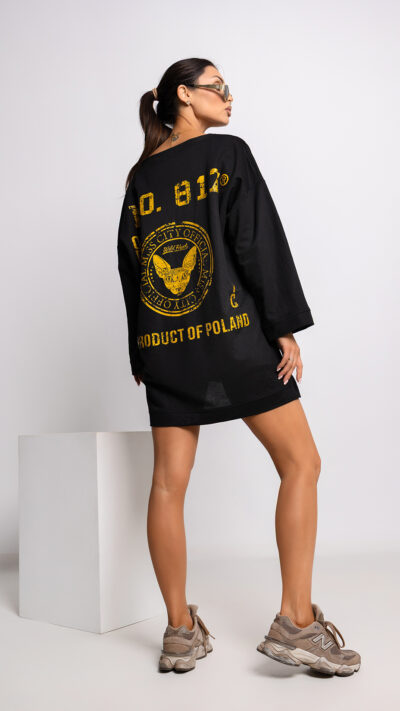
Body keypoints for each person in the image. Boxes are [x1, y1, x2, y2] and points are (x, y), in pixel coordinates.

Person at [117, 58, 361, 675]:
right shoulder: (227, 154)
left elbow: (132, 268)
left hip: (166, 346)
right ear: (184, 95)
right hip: (233, 340)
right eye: (218, 88)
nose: (229, 98)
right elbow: (256, 240)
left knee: (167, 485)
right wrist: (282, 326)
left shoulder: (141, 178)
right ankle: (297, 623)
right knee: (301, 463)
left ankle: (178, 631)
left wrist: (140, 352)